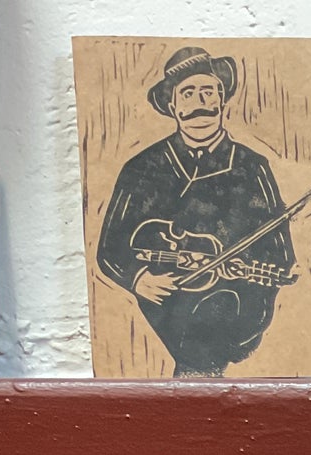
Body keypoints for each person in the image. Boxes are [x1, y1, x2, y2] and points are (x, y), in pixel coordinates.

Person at [96, 46, 294, 377]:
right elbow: (109, 248)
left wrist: (245, 277)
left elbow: (280, 254)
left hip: (236, 308)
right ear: (173, 105)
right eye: (187, 93)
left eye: (208, 92)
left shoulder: (252, 166)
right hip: (167, 306)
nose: (199, 103)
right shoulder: (141, 168)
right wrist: (137, 278)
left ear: (221, 99)